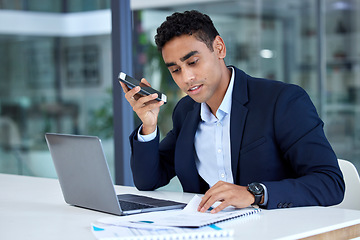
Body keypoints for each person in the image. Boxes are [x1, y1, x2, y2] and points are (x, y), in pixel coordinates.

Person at [120, 10, 345, 213]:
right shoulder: (186, 112)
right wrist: (149, 125)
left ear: (219, 48)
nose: (186, 78)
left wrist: (254, 194)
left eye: (193, 62)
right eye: (176, 70)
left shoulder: (282, 101)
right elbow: (147, 181)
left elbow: (330, 183)